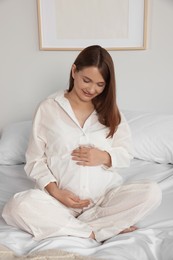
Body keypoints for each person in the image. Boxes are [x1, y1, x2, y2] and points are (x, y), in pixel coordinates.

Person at [2, 45, 162, 242]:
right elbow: (35, 159)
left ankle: (84, 225)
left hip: (103, 201)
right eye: (86, 80)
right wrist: (56, 192)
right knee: (17, 206)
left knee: (152, 192)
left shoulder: (111, 111)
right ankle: (95, 231)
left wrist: (103, 157)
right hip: (58, 204)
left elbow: (126, 153)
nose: (91, 89)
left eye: (100, 84)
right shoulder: (48, 108)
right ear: (74, 71)